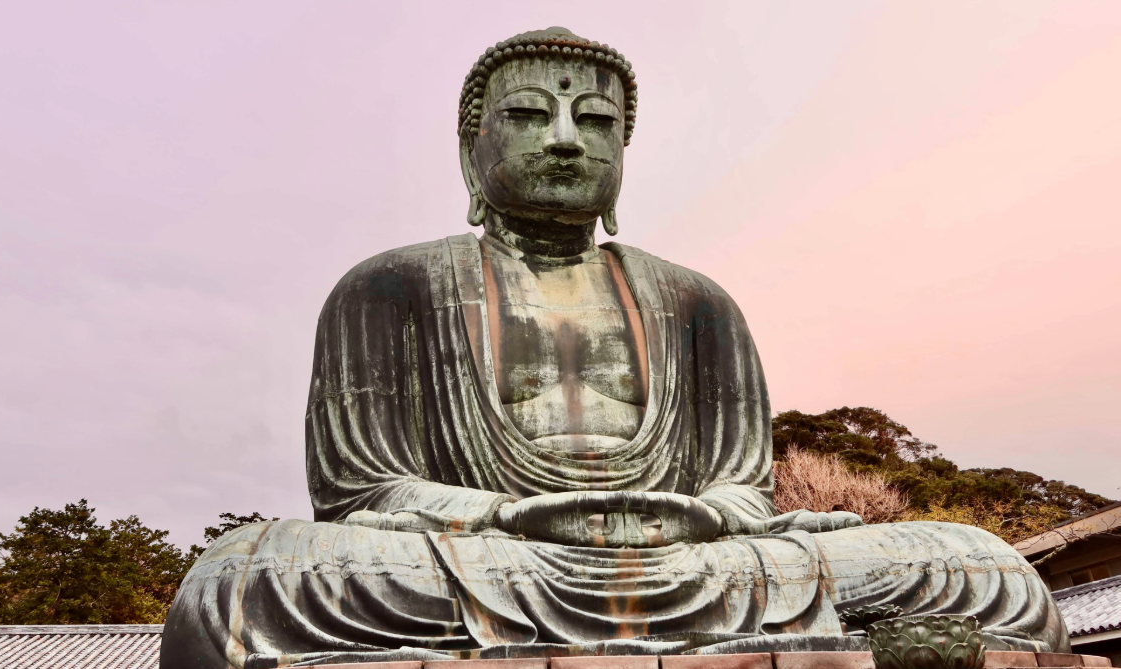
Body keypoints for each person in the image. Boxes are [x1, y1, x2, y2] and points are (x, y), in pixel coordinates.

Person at [161, 27, 1069, 669]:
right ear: (471, 147)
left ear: (624, 149)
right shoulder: (390, 287)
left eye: (595, 123)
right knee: (238, 581)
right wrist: (507, 518)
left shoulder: (693, 301)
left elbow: (739, 486)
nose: (564, 138)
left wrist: (707, 518)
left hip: (698, 562)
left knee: (982, 566)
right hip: (489, 559)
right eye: (527, 116)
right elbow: (364, 491)